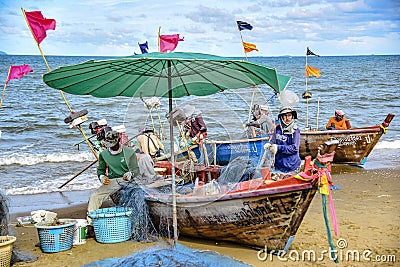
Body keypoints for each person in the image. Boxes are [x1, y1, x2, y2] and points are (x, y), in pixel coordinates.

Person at [86, 129, 140, 237]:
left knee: (136, 196)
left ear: (119, 140)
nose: (111, 146)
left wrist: (131, 174)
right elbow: (100, 170)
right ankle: (91, 224)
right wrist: (101, 177)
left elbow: (136, 170)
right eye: (109, 144)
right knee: (95, 196)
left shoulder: (129, 152)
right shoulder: (104, 154)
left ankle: (135, 224)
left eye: (113, 144)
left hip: (127, 180)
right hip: (112, 180)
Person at [264, 106, 301, 176]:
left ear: (292, 116)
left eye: (289, 115)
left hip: (291, 166)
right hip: (279, 164)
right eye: (285, 115)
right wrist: (269, 144)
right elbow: (273, 141)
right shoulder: (277, 129)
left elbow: (295, 148)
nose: (287, 118)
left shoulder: (295, 131)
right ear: (281, 117)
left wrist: (278, 148)